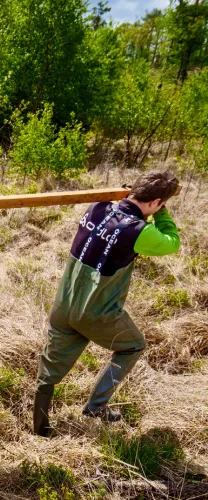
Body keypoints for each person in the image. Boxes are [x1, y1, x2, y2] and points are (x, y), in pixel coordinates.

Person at [34, 170, 180, 436]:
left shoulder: (97, 207)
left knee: (49, 373)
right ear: (156, 201)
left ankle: (39, 429)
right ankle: (96, 407)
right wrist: (161, 214)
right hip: (97, 314)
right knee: (133, 346)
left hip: (63, 306)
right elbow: (172, 243)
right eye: (160, 204)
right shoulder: (141, 232)